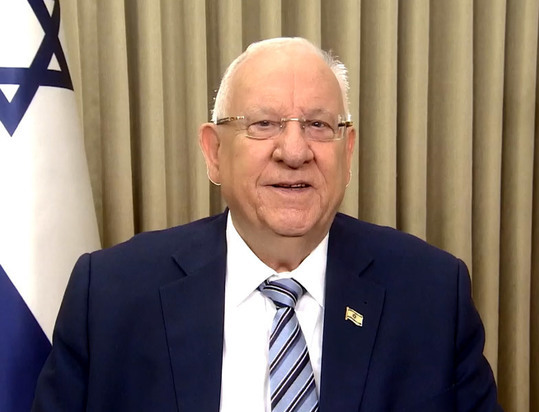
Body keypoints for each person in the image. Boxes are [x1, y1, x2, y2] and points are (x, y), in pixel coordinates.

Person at [32, 37, 502, 411]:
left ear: (348, 152)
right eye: (263, 124)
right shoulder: (110, 296)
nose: (294, 152)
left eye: (318, 125)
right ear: (214, 152)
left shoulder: (432, 295)